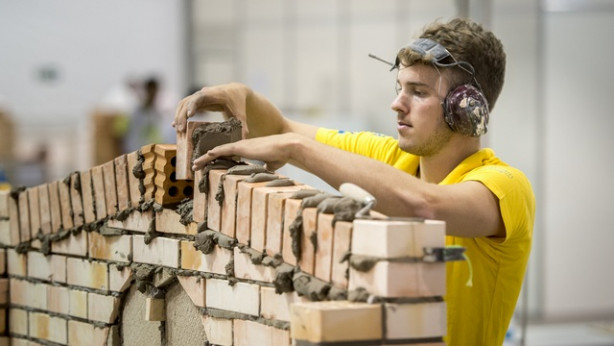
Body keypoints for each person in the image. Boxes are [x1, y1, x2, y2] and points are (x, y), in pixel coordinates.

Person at [173, 17, 535, 346]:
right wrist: (243, 95)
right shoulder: (393, 159)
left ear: (466, 109)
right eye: (400, 87)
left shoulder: (504, 186)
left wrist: (298, 150)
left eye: (418, 92)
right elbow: (281, 128)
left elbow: (426, 206)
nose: (397, 103)